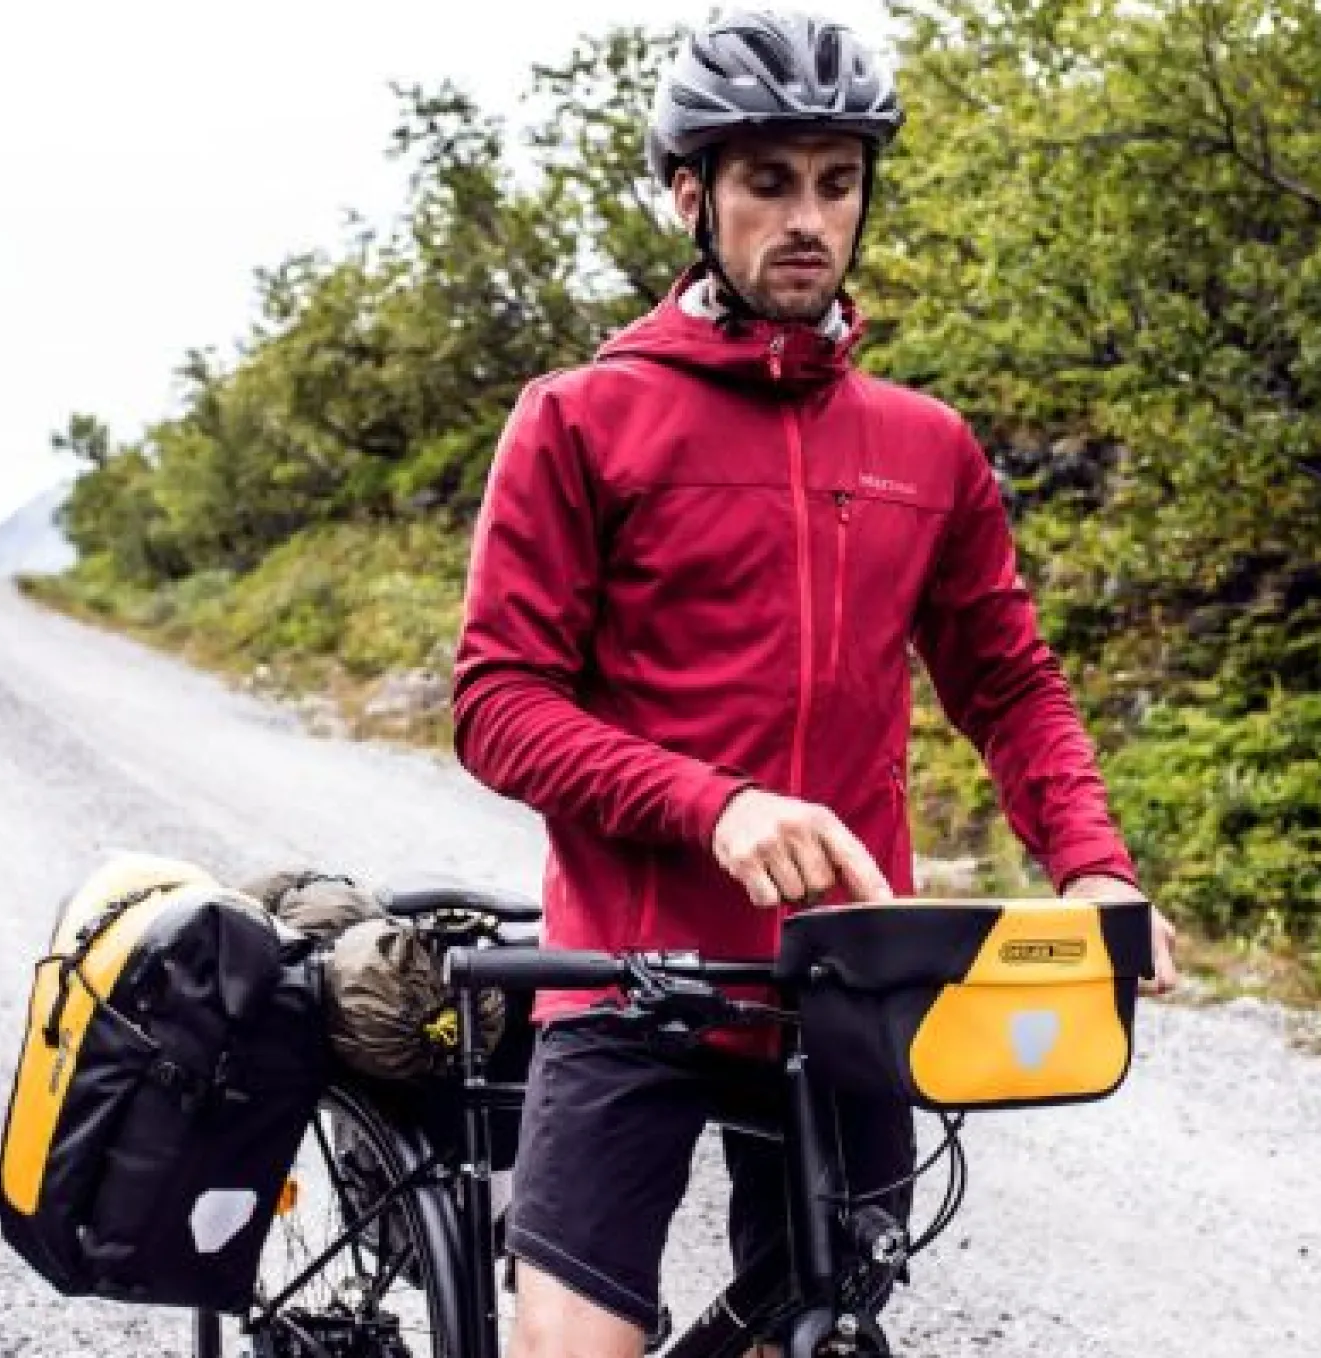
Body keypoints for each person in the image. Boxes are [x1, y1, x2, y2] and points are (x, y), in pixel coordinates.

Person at [451, 10, 1180, 1357]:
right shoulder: (582, 419)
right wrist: (716, 805)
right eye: (770, 181)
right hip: (627, 976)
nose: (808, 219)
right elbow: (500, 704)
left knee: (823, 1329)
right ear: (692, 196)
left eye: (837, 183)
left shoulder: (926, 446)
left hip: (843, 974)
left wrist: (1093, 864)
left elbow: (1009, 683)